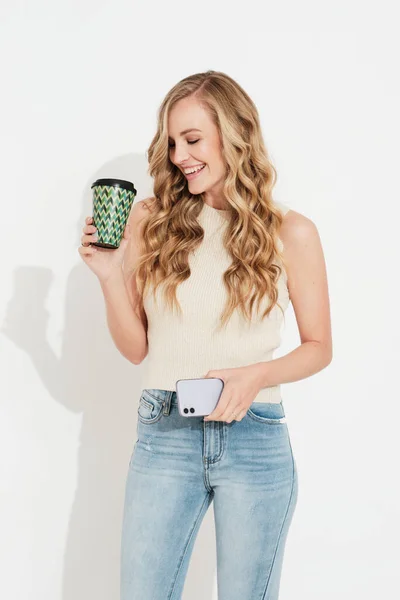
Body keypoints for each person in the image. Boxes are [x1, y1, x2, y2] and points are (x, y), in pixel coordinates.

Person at [78, 70, 332, 600]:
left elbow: (318, 348)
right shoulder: (150, 221)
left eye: (192, 140)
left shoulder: (292, 232)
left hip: (254, 435)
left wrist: (256, 374)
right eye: (172, 142)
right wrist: (109, 276)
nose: (179, 155)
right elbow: (137, 349)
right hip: (164, 430)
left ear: (234, 134)